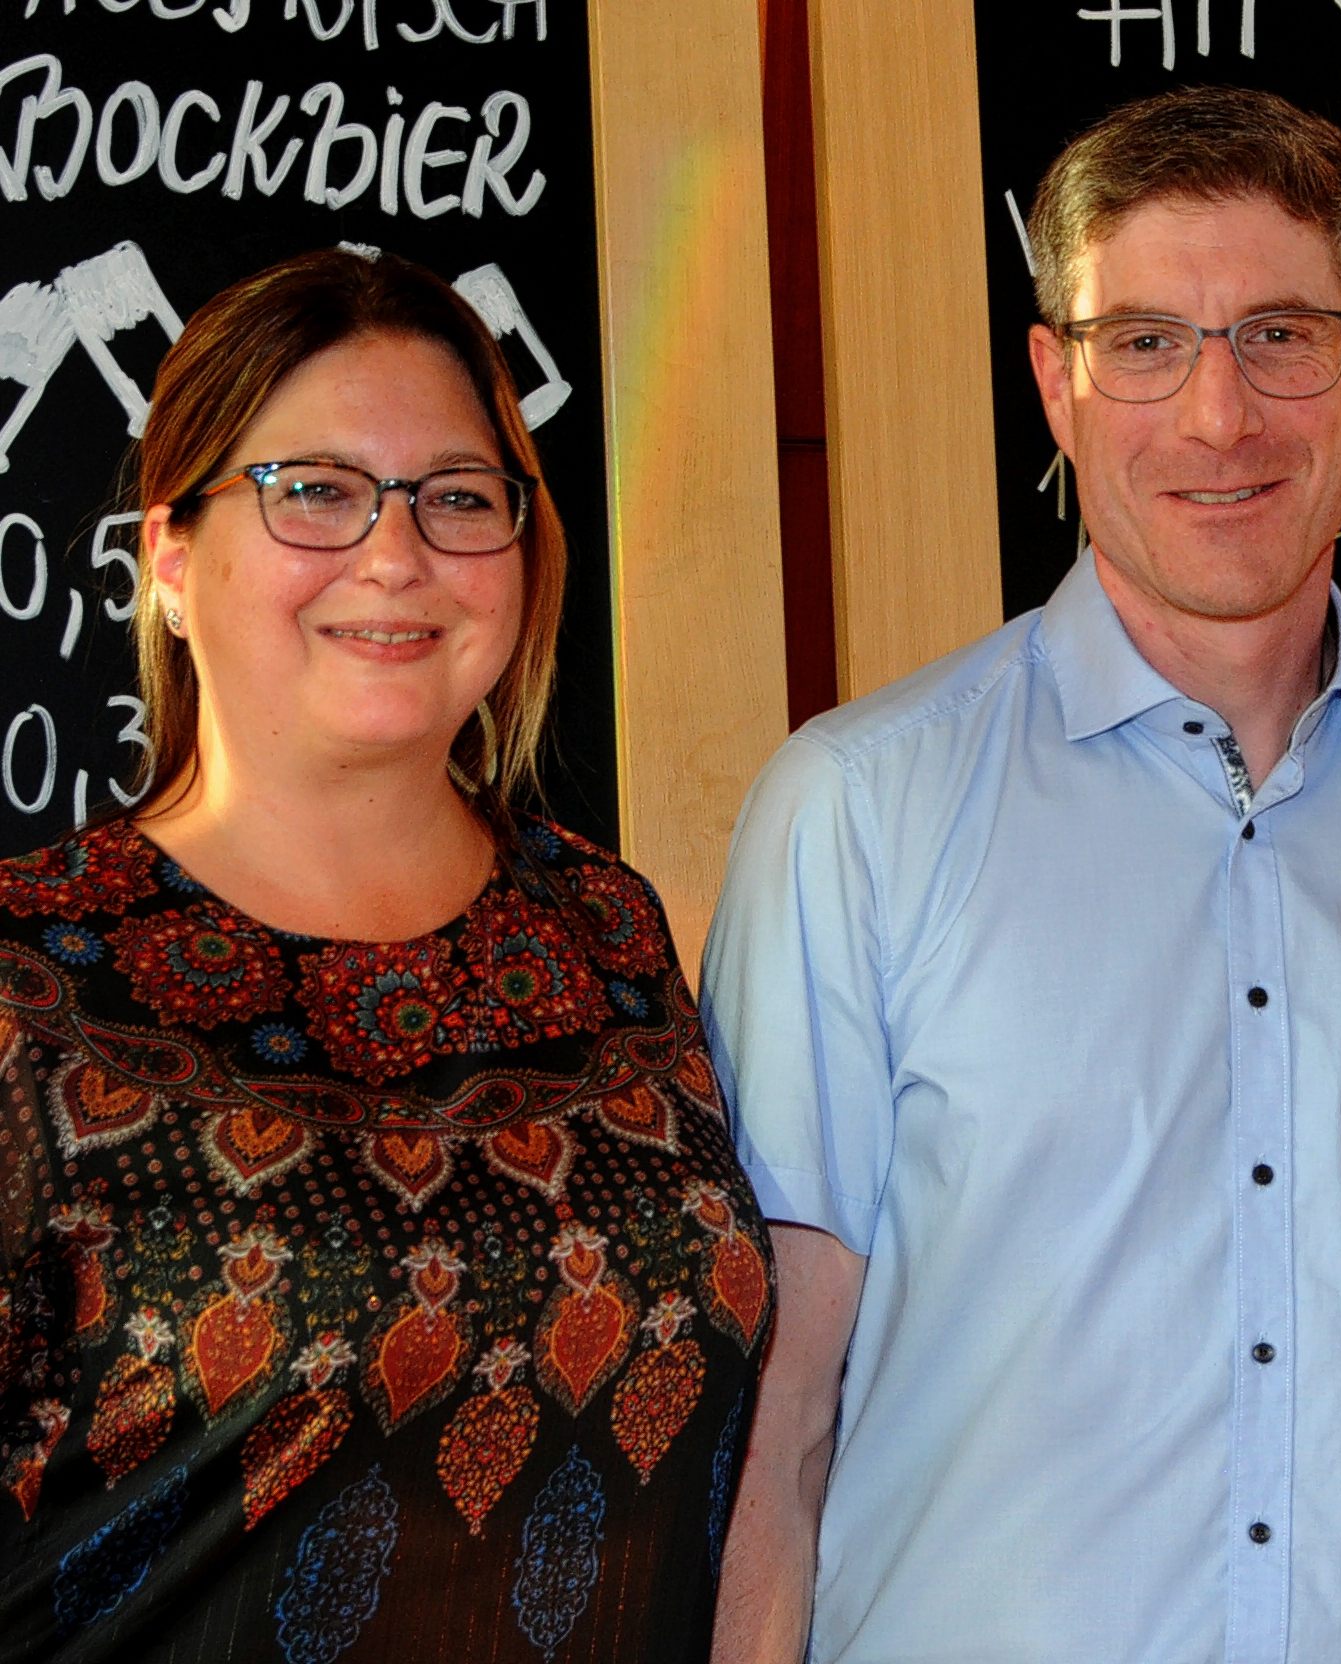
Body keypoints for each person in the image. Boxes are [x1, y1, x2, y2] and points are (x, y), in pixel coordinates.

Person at [702, 86, 1341, 1664]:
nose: (1218, 417)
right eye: (1144, 343)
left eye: (1279, 334)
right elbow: (776, 1421)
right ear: (1054, 384)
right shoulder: (854, 811)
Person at [0, 248, 772, 1661]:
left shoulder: (609, 928)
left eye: (457, 498)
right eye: (315, 492)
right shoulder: (27, 978)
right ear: (171, 555)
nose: (396, 555)